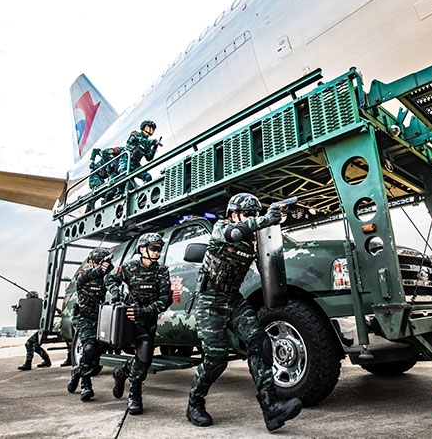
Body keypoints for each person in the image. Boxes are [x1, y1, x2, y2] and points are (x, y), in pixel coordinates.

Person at [185, 193, 302, 431]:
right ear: (234, 215)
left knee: (260, 342)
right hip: (210, 299)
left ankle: (271, 408)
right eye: (248, 214)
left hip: (233, 298)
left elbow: (267, 265)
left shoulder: (254, 240)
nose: (252, 217)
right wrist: (264, 220)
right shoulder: (222, 228)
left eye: (255, 214)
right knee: (216, 360)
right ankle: (194, 403)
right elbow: (236, 233)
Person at [105, 233, 171, 415]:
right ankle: (134, 393)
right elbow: (109, 278)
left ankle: (122, 374)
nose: (157, 252)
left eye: (159, 249)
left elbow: (164, 300)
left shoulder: (162, 271)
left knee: (145, 358)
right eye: (154, 248)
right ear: (142, 249)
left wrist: (143, 311)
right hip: (129, 320)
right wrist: (115, 292)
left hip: (147, 319)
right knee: (143, 354)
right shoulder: (130, 267)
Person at [67, 248, 113, 401]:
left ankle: (77, 371)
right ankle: (86, 385)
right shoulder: (83, 275)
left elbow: (113, 283)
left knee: (95, 354)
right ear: (91, 262)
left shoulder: (106, 277)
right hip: (83, 318)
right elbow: (86, 276)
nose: (101, 265)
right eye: (98, 261)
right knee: (88, 348)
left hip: (100, 318)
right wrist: (100, 269)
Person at [116, 120, 160, 188]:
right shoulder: (135, 134)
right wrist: (150, 142)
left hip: (135, 164)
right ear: (146, 127)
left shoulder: (147, 145)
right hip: (125, 161)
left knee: (147, 177)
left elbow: (149, 157)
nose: (153, 131)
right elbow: (134, 139)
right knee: (123, 179)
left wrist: (154, 148)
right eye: (151, 128)